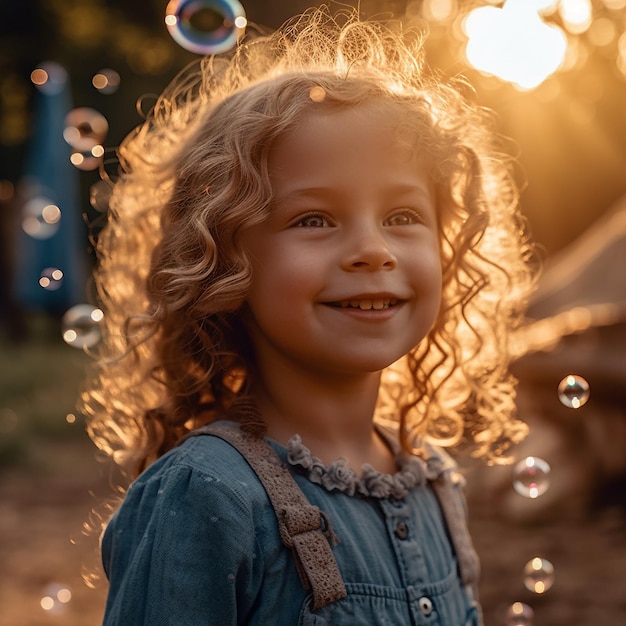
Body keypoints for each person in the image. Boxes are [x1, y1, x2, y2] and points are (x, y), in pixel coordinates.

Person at [82, 7, 537, 625]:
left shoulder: (434, 480)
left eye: (403, 216)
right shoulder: (206, 495)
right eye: (313, 219)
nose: (374, 250)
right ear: (223, 260)